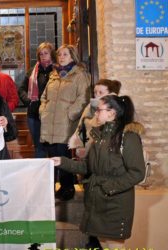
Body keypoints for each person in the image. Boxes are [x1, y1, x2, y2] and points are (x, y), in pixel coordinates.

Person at [51, 95, 145, 250]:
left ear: (112, 113)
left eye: (99, 110)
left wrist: (107, 187)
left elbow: (137, 172)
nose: (95, 114)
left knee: (114, 246)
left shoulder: (129, 137)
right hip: (97, 201)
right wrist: (62, 161)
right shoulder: (99, 137)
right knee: (103, 245)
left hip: (116, 203)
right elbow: (88, 167)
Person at [39, 44, 90, 201]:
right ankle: (56, 186)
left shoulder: (79, 75)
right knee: (52, 156)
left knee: (64, 156)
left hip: (67, 123)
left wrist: (69, 114)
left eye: (65, 54)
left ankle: (68, 187)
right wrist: (43, 111)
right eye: (60, 55)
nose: (61, 57)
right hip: (49, 124)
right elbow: (44, 97)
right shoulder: (54, 75)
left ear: (72, 56)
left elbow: (83, 98)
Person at [18, 42, 56, 158]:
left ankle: (55, 175)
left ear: (52, 55)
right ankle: (42, 175)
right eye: (41, 54)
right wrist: (28, 101)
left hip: (52, 115)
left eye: (46, 53)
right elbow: (21, 89)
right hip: (34, 115)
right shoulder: (32, 72)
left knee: (53, 147)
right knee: (39, 147)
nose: (43, 56)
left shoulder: (57, 71)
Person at [68, 79, 122, 159]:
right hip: (89, 146)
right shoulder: (90, 106)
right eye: (95, 92)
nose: (97, 95)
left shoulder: (117, 107)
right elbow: (81, 125)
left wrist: (89, 122)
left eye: (101, 92)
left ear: (111, 93)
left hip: (108, 149)